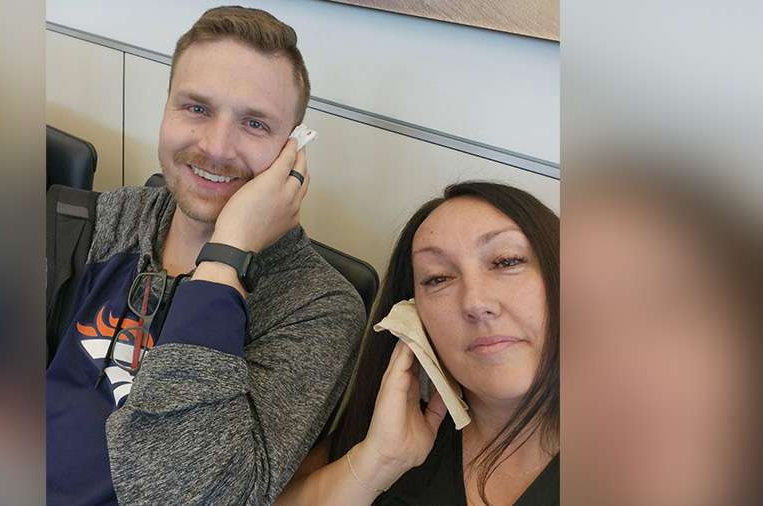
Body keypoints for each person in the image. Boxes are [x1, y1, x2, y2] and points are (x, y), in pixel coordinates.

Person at [45, 6, 365, 505]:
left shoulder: (316, 308)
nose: (216, 147)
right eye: (196, 108)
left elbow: (198, 494)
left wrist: (224, 258)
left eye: (255, 124)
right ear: (166, 109)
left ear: (293, 151)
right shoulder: (104, 220)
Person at [278, 181, 560, 505]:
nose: (475, 302)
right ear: (411, 315)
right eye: (438, 278)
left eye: (506, 261)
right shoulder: (394, 426)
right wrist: (378, 462)